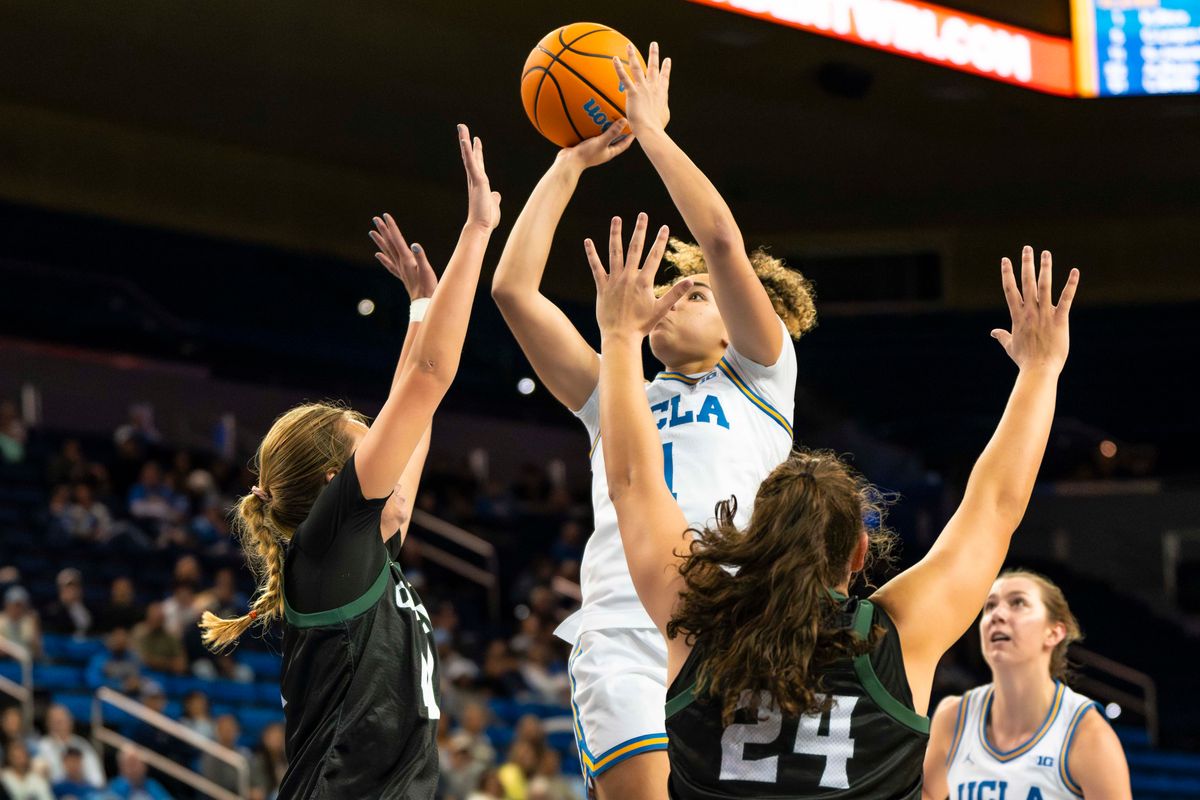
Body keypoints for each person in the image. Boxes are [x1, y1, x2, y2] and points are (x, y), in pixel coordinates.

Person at [590, 231, 1080, 799]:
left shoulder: (700, 617)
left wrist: (620, 335)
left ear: (752, 540)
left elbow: (629, 481)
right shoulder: (898, 637)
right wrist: (1041, 370)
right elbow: (995, 506)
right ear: (859, 553)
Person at [491, 41, 815, 800]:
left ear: (737, 325)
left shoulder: (763, 376)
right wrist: (569, 162)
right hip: (624, 625)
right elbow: (513, 291)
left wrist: (655, 134)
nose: (674, 298)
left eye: (696, 295)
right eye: (672, 291)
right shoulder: (620, 395)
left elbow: (723, 242)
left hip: (742, 619)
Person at [198, 123, 501, 800]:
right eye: (364, 434)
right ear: (337, 483)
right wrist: (477, 230)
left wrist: (423, 305)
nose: (380, 434)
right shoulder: (330, 543)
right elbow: (426, 382)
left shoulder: (362, 550)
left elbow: (414, 409)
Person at [922, 571, 1131, 800]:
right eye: (990, 606)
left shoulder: (1086, 733)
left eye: (1018, 603)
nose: (997, 615)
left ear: (1053, 632)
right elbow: (927, 794)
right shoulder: (953, 718)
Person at [33, 705, 104, 789]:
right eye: (54, 722)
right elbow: (37, 779)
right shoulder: (41, 746)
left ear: (70, 722)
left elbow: (97, 780)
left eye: (61, 721)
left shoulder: (82, 745)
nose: (58, 726)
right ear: (47, 724)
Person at [105, 748, 172, 800]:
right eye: (129, 764)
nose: (133, 769)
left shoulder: (152, 785)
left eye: (136, 764)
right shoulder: (114, 787)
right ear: (121, 767)